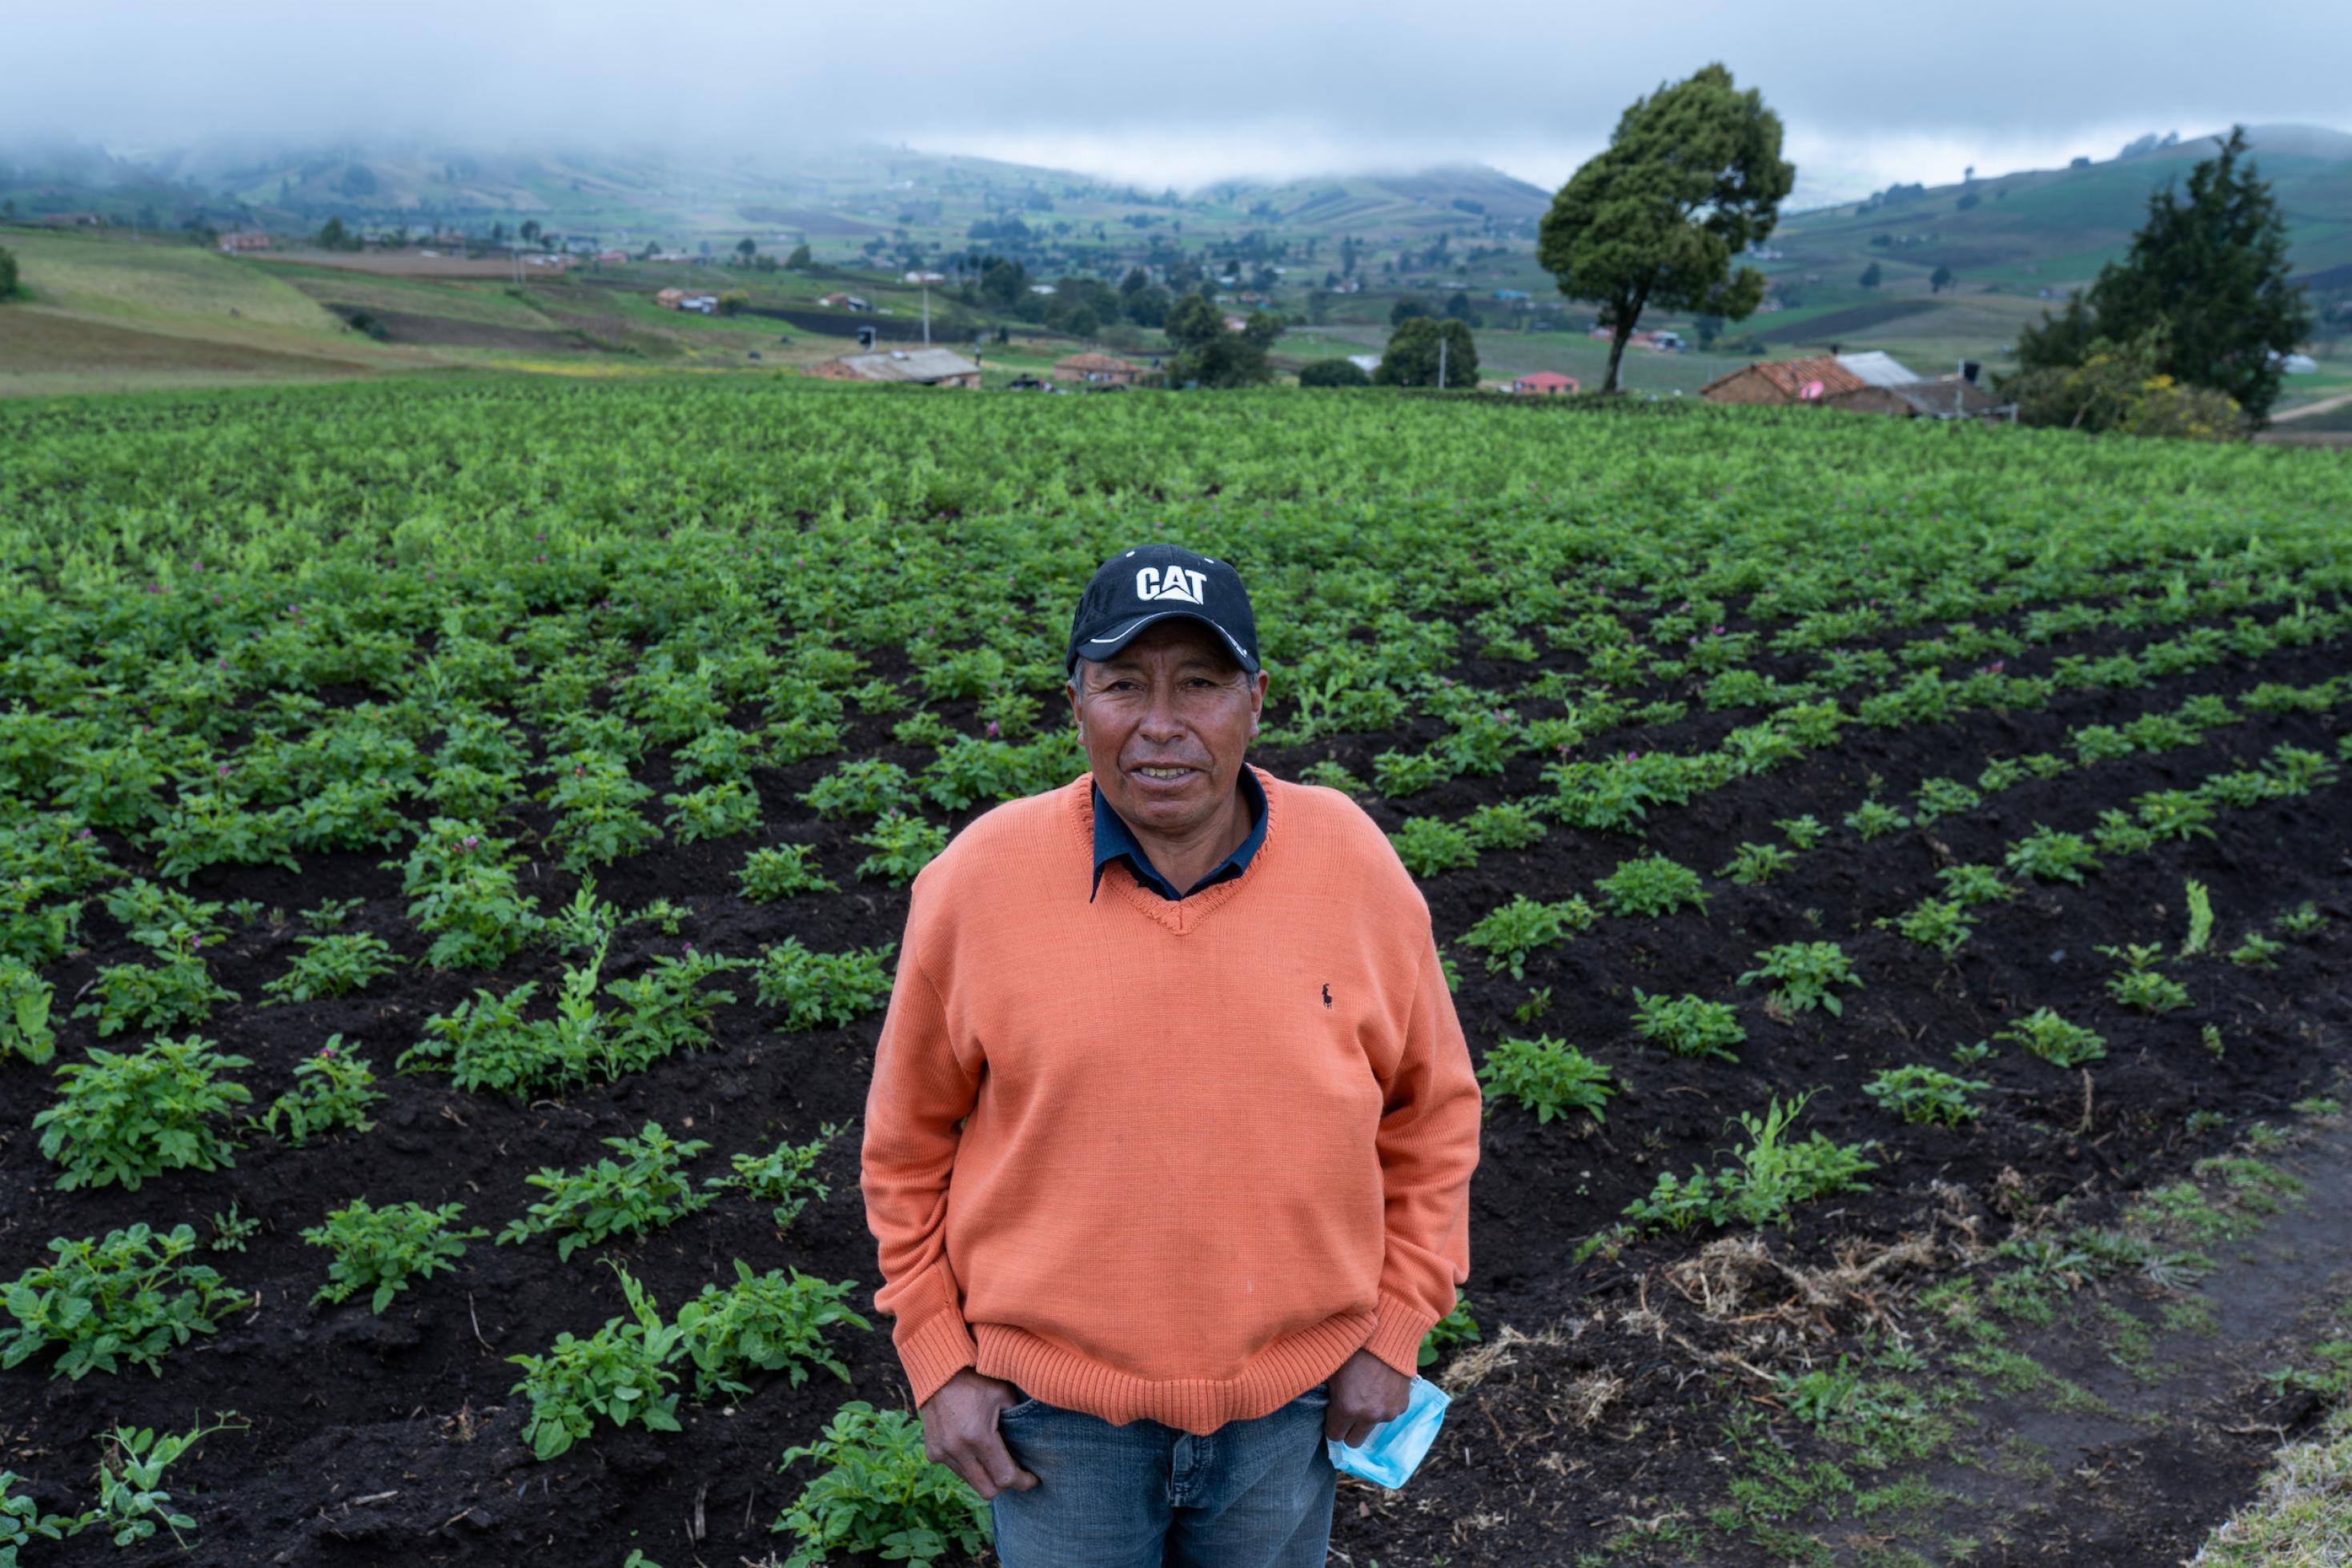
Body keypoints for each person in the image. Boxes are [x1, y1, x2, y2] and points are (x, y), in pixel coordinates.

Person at [860, 543, 1483, 1566]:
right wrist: (937, 1357)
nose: (1161, 723)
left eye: (1199, 683)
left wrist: (1395, 1329)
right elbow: (903, 1149)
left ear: (1255, 701)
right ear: (1075, 703)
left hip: (1291, 1413)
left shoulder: (1353, 865)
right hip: (1055, 1424)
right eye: (1122, 685)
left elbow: (1433, 1116)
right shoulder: (978, 883)